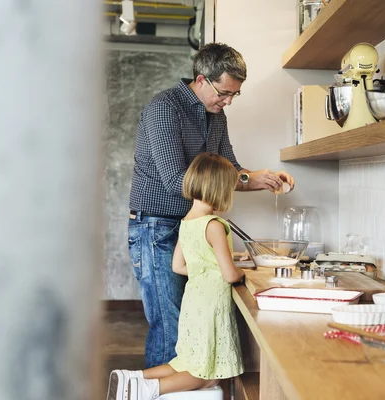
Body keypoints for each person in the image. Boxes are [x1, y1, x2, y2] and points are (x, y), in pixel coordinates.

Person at [127, 42, 295, 369]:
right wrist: (246, 179)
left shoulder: (216, 116)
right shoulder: (165, 108)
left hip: (191, 227)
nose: (229, 101)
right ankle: (146, 389)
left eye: (235, 95)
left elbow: (230, 169)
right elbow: (178, 181)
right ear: (202, 80)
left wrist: (261, 178)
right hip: (155, 226)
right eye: (224, 92)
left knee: (190, 322)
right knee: (170, 324)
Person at [109, 153, 246, 400]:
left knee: (186, 360)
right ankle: (147, 390)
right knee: (205, 375)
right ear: (221, 189)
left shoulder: (185, 222)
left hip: (193, 303)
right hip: (211, 306)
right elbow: (229, 274)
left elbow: (178, 266)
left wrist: (206, 268)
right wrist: (241, 271)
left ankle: (134, 377)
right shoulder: (214, 225)